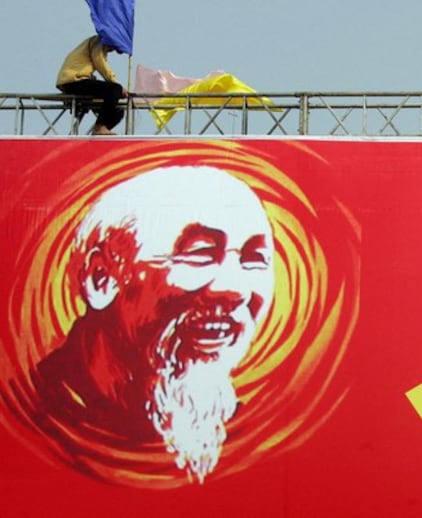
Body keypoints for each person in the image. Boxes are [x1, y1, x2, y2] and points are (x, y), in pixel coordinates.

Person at [32, 165, 276, 483]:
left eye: (254, 259)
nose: (235, 290)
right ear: (101, 279)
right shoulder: (32, 413)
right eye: (200, 254)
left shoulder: (248, 437)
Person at [56, 35, 128, 135]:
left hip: (77, 80)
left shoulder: (96, 43)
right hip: (74, 81)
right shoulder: (99, 41)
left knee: (118, 111)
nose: (112, 50)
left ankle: (100, 131)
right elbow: (100, 63)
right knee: (115, 89)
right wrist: (117, 84)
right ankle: (100, 127)